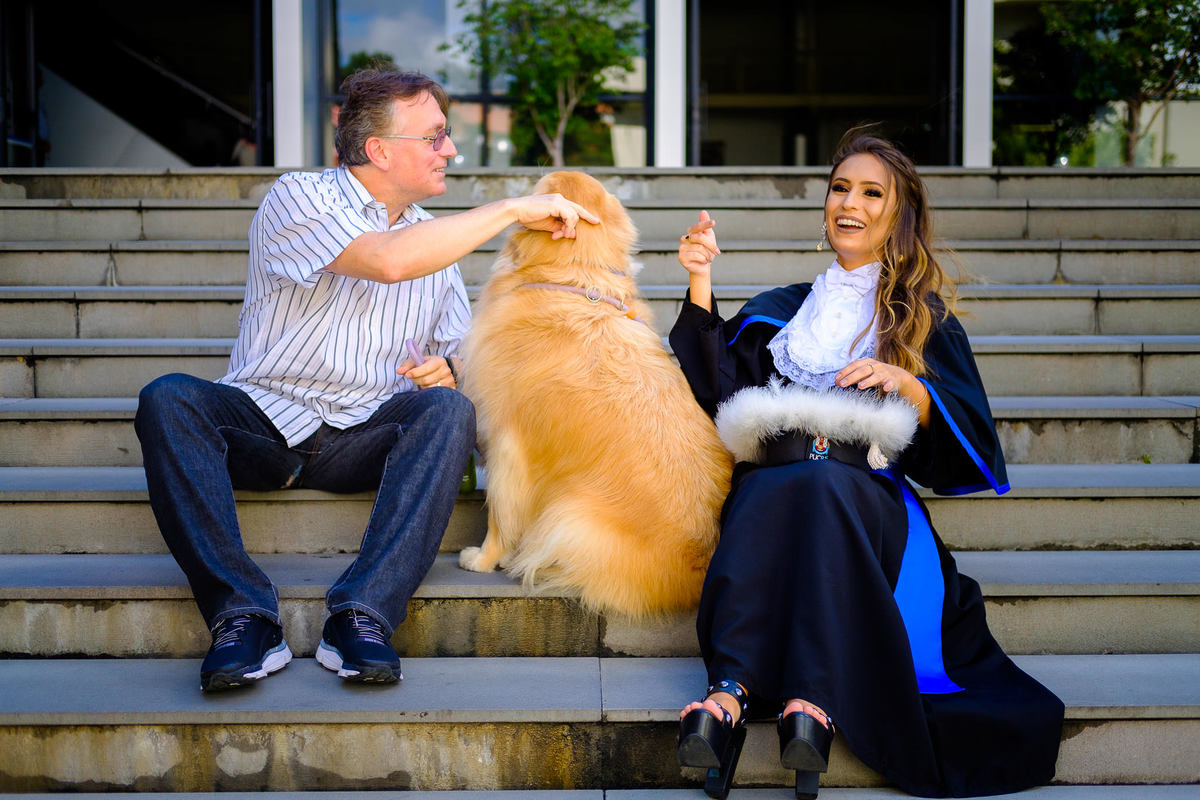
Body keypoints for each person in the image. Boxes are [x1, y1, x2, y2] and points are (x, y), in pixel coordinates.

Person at [134, 67, 599, 693]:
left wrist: (454, 367)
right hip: (266, 419)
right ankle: (242, 614)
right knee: (167, 399)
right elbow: (385, 260)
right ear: (380, 150)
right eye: (435, 137)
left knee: (447, 411)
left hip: (363, 436)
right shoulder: (298, 197)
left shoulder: (436, 245)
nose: (451, 151)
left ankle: (363, 612)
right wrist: (515, 206)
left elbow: (464, 354)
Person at [669, 132, 1064, 798]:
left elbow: (964, 447)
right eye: (840, 188)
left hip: (865, 497)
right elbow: (720, 392)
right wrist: (700, 277)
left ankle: (803, 699)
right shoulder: (783, 310)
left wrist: (909, 386)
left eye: (871, 192)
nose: (849, 203)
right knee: (772, 486)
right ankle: (731, 697)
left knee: (818, 485)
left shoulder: (922, 320)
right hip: (777, 485)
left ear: (898, 215)